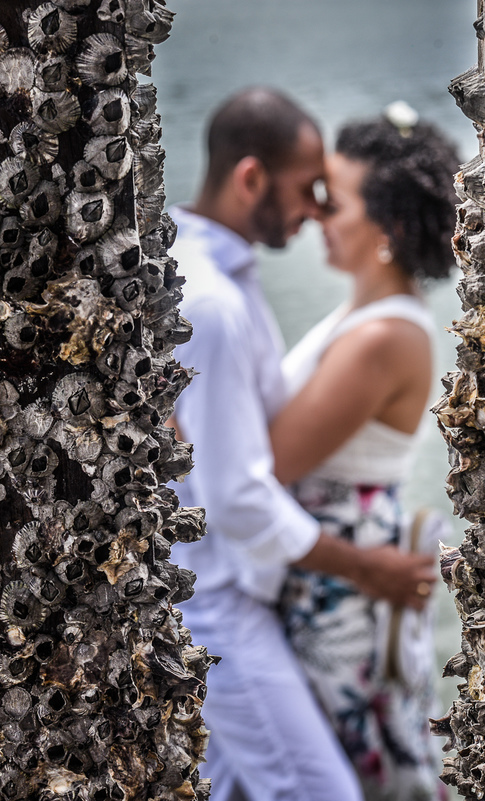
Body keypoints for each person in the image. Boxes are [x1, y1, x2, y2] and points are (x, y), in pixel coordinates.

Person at [167, 88, 439, 801]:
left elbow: (246, 459)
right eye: (312, 190)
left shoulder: (220, 283)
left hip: (294, 585)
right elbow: (242, 486)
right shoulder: (217, 300)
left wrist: (187, 427)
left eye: (332, 198)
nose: (317, 211)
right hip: (243, 585)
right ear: (251, 178)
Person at [272, 110, 459, 801]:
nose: (317, 214)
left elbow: (269, 462)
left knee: (355, 767)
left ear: (391, 228)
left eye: (336, 200)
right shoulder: (366, 316)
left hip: (345, 583)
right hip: (333, 562)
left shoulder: (384, 337)